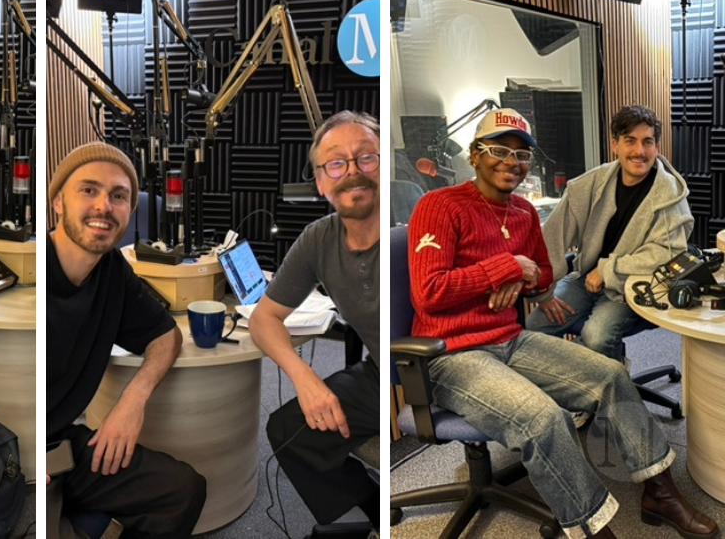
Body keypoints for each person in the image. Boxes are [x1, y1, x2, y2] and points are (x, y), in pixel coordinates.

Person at [407, 107, 717, 539]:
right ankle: (595, 531)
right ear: (475, 154)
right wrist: (508, 267)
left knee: (610, 375)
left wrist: (527, 276)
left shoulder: (522, 212)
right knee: (545, 419)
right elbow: (429, 292)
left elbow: (543, 274)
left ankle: (659, 494)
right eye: (499, 151)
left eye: (521, 155)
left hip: (509, 339)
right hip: (451, 353)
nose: (511, 162)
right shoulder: (438, 205)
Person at [46, 141, 206, 539]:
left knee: (182, 490)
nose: (104, 206)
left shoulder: (112, 270)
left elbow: (166, 336)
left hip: (61, 444)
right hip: (14, 445)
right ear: (58, 202)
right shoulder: (34, 275)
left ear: (130, 211)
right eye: (89, 190)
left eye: (118, 196)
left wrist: (132, 400)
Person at [249, 111, 380, 529]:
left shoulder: (413, 230)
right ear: (321, 183)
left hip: (434, 369)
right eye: (336, 163)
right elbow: (264, 317)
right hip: (381, 374)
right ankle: (373, 516)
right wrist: (304, 378)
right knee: (287, 430)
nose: (353, 171)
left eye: (366, 157)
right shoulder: (318, 238)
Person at [526, 105, 693, 360]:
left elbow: (667, 255)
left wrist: (607, 270)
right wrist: (544, 292)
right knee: (534, 327)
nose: (639, 151)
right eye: (630, 141)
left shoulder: (670, 195)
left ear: (656, 147)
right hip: (584, 279)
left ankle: (614, 381)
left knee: (596, 337)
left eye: (647, 142)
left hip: (631, 286)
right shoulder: (590, 184)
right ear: (615, 145)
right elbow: (552, 237)